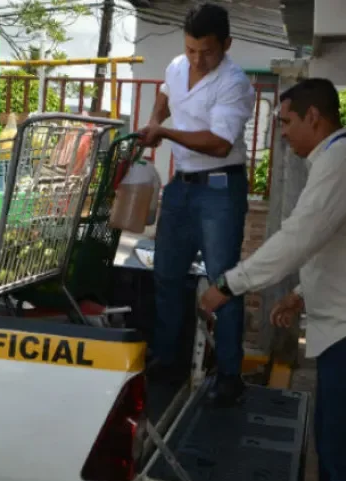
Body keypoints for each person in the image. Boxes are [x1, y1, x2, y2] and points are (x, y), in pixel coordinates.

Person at [200, 78, 346, 481]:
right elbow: (333, 243)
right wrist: (300, 293)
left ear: (313, 117)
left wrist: (229, 284)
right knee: (333, 449)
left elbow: (298, 237)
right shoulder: (335, 161)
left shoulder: (342, 161)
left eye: (285, 122)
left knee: (345, 455)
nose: (280, 133)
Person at [137, 2, 256, 406]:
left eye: (206, 51)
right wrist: (156, 119)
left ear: (226, 44)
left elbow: (219, 142)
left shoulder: (234, 82)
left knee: (224, 281)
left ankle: (229, 374)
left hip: (220, 190)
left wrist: (164, 133)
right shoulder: (176, 65)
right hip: (181, 187)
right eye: (190, 49)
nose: (196, 59)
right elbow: (166, 93)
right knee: (167, 275)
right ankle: (168, 360)